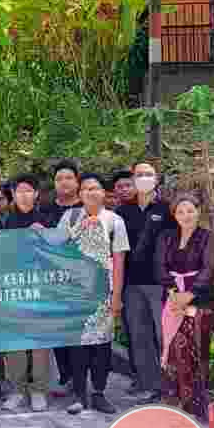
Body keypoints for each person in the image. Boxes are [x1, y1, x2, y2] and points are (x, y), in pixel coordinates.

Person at [58, 173, 129, 415]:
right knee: (77, 344)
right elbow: (57, 248)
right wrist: (79, 227)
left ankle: (99, 392)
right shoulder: (70, 217)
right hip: (75, 292)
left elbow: (118, 261)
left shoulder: (115, 221)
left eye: (95, 188)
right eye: (86, 188)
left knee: (102, 344)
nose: (91, 192)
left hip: (103, 292)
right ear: (79, 194)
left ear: (103, 193)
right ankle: (79, 395)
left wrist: (116, 295)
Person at [116, 161, 176, 404]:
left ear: (156, 178)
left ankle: (171, 386)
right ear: (133, 179)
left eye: (148, 174)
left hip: (160, 284)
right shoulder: (123, 212)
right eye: (139, 174)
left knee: (164, 335)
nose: (143, 178)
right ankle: (150, 385)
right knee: (139, 336)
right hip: (131, 283)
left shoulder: (167, 209)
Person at [155, 194, 214, 422]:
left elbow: (209, 268)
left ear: (198, 211)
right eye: (180, 211)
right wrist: (174, 292)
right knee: (173, 351)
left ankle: (196, 406)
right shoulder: (166, 237)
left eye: (190, 210)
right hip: (172, 298)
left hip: (201, 301)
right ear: (174, 215)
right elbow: (159, 266)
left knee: (196, 350)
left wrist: (190, 295)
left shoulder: (208, 237)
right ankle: (175, 404)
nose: (186, 215)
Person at [0, 175, 50, 412]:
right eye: (19, 191)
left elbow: (56, 253)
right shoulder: (6, 222)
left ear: (36, 193)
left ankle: (38, 389)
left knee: (40, 340)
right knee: (15, 341)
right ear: (13, 194)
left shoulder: (46, 220)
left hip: (40, 288)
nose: (24, 195)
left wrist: (44, 236)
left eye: (29, 190)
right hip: (13, 288)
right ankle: (17, 390)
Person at [40, 160, 83, 395]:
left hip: (81, 281)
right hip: (52, 281)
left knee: (80, 332)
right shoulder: (45, 210)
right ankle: (65, 376)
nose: (64, 182)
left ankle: (81, 380)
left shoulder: (87, 207)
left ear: (77, 181)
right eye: (59, 179)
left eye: (68, 177)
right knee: (59, 331)